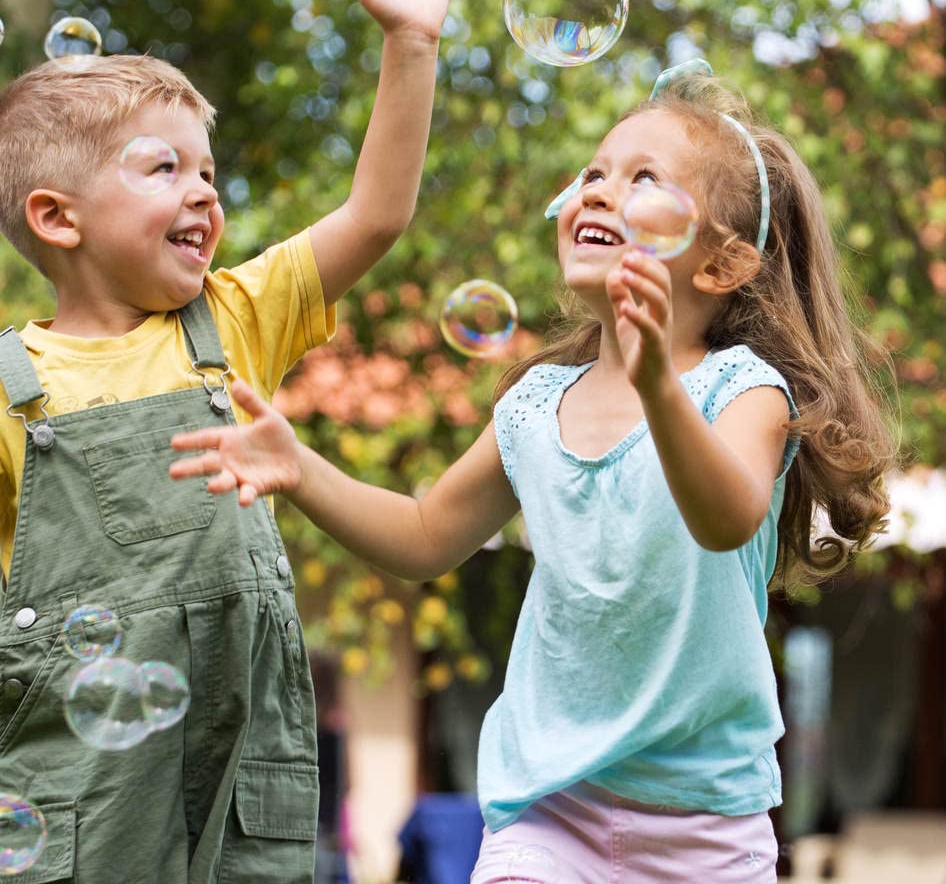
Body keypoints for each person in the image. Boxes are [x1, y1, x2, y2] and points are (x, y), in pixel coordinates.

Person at [169, 59, 895, 883]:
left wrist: (657, 379)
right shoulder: (533, 406)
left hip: (706, 822)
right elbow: (422, 536)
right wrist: (297, 465)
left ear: (722, 265)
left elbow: (725, 516)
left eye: (642, 178)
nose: (596, 189)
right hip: (547, 806)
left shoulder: (743, 390)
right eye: (592, 172)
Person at [0, 0, 451, 883]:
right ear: (55, 217)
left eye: (210, 170)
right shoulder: (8, 391)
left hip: (243, 785)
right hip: (77, 801)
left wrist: (410, 43)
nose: (205, 191)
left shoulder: (231, 322)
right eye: (164, 168)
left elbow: (377, 215)